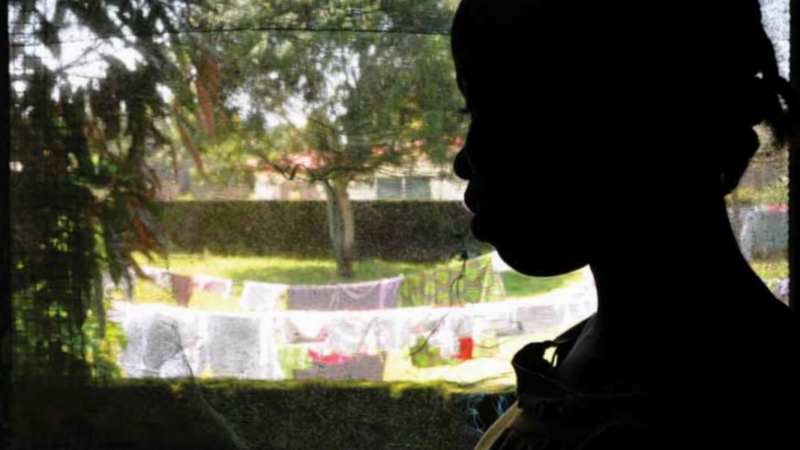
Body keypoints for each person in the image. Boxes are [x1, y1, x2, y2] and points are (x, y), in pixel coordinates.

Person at [450, 0, 800, 448]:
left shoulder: (720, 414)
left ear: (625, 115)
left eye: (494, 112)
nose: (464, 160)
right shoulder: (593, 368)